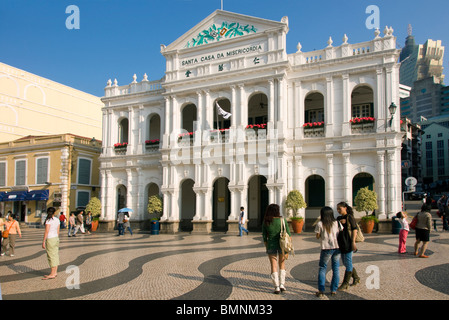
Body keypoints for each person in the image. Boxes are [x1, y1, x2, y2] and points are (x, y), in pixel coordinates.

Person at [262, 203, 290, 294]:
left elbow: (264, 236)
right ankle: (282, 284)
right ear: (277, 211)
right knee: (282, 264)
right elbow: (288, 234)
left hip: (271, 245)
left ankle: (276, 287)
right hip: (282, 245)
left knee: (273, 265)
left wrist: (267, 246)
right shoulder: (282, 220)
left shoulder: (266, 221)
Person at [315, 206, 342, 297]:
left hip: (326, 248)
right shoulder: (337, 223)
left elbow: (318, 236)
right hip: (337, 248)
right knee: (336, 268)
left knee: (322, 268)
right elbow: (341, 231)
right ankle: (334, 289)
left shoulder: (320, 224)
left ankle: (321, 290)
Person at [336, 202, 360, 290]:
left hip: (348, 242)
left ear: (345, 208)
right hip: (341, 243)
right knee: (346, 263)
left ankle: (345, 283)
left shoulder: (349, 217)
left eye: (340, 208)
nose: (338, 210)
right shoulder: (338, 218)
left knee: (348, 262)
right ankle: (356, 278)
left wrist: (353, 242)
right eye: (337, 209)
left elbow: (354, 230)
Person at [42, 207, 60, 279]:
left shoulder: (48, 221)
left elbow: (46, 231)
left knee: (51, 256)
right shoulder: (57, 220)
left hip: (50, 238)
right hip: (56, 238)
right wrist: (57, 238)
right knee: (55, 255)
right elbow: (58, 231)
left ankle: (52, 273)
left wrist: (43, 241)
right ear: (54, 213)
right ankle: (55, 272)